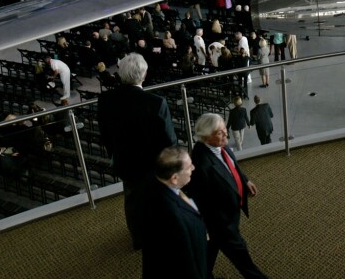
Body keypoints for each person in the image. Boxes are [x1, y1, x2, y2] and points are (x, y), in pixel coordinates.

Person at [97, 53, 177, 250]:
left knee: (132, 202)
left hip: (125, 162)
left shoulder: (105, 100)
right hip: (154, 165)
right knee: (160, 201)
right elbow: (169, 140)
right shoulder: (156, 103)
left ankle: (139, 240)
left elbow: (105, 134)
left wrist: (115, 154)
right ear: (145, 74)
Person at [187, 113, 268, 279]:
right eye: (219, 132)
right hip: (222, 223)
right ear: (206, 137)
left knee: (209, 251)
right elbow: (202, 202)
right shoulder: (201, 165)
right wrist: (214, 228)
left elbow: (230, 166)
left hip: (228, 216)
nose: (226, 134)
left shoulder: (220, 145)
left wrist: (244, 180)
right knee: (244, 261)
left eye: (224, 128)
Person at [141, 146, 207, 279]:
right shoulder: (173, 216)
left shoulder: (153, 182)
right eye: (189, 167)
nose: (193, 168)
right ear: (175, 178)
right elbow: (186, 260)